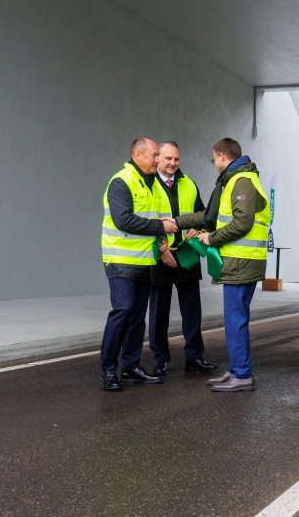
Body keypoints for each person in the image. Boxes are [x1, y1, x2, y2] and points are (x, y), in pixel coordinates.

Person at [176, 138, 269, 392]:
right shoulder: (235, 180)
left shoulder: (242, 181)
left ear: (220, 155)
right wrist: (177, 221)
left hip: (242, 261)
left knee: (235, 320)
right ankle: (236, 369)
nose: (214, 163)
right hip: (239, 260)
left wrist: (211, 237)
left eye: (213, 158)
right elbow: (212, 216)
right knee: (234, 319)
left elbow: (242, 223)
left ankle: (242, 374)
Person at [100, 137, 179, 391]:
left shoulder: (153, 184)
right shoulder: (121, 181)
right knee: (123, 311)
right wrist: (159, 226)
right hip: (120, 260)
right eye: (154, 155)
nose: (158, 160)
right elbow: (123, 220)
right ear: (137, 154)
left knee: (136, 317)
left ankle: (131, 365)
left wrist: (163, 238)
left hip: (145, 261)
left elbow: (153, 219)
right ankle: (109, 369)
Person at [148, 141, 218, 378]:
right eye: (168, 159)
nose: (173, 163)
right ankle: (160, 360)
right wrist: (160, 247)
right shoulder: (148, 185)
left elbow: (203, 215)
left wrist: (196, 229)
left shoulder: (189, 183)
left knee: (192, 310)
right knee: (159, 312)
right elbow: (144, 220)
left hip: (187, 254)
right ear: (158, 159)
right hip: (161, 256)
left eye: (176, 159)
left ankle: (194, 357)